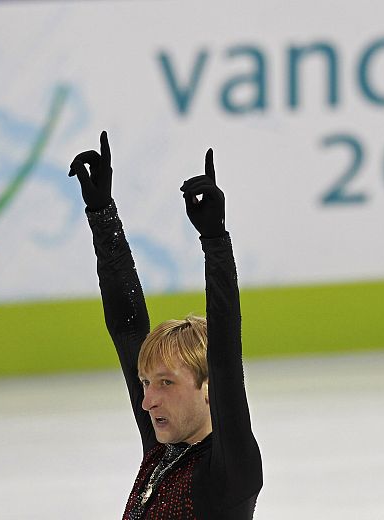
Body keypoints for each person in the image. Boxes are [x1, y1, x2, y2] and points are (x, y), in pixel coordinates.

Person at [69, 131, 263, 519]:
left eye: (166, 382)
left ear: (208, 389)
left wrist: (215, 242)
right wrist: (103, 217)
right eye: (146, 383)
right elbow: (127, 328)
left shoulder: (229, 476)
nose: (147, 401)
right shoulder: (164, 449)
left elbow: (225, 358)